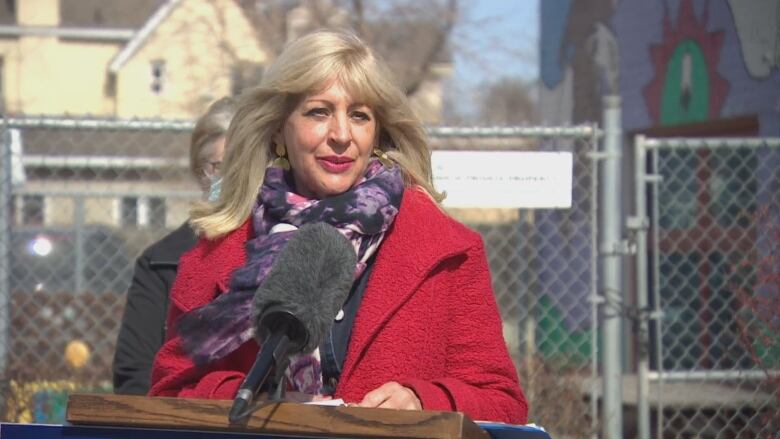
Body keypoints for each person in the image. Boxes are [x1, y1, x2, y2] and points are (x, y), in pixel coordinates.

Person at [149, 31, 528, 424]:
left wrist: (421, 400)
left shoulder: (447, 251)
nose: (342, 135)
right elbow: (171, 388)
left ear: (376, 132)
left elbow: (502, 402)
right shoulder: (217, 252)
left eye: (359, 116)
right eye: (319, 112)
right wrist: (256, 400)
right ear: (279, 128)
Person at [112, 97, 238, 395]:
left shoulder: (286, 249)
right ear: (202, 171)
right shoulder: (162, 263)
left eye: (248, 165)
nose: (238, 178)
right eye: (223, 166)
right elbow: (134, 375)